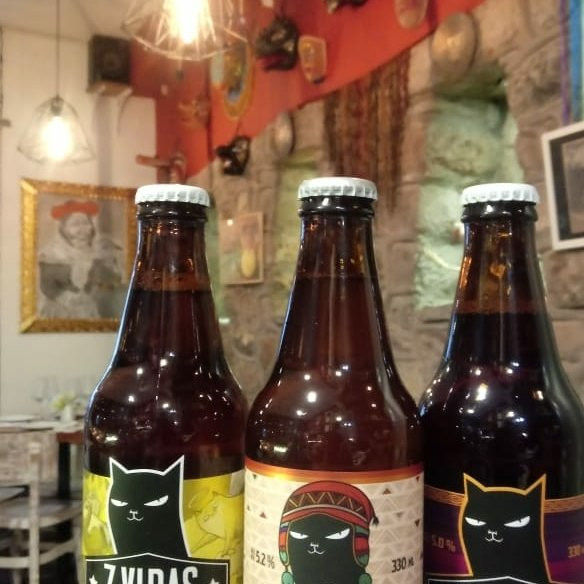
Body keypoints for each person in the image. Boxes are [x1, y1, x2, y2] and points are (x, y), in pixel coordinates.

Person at [38, 199, 125, 319]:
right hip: (60, 310)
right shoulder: (52, 254)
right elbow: (47, 285)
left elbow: (113, 280)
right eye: (75, 224)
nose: (82, 229)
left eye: (85, 223)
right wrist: (65, 298)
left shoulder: (99, 252)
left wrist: (110, 263)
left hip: (92, 310)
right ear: (63, 228)